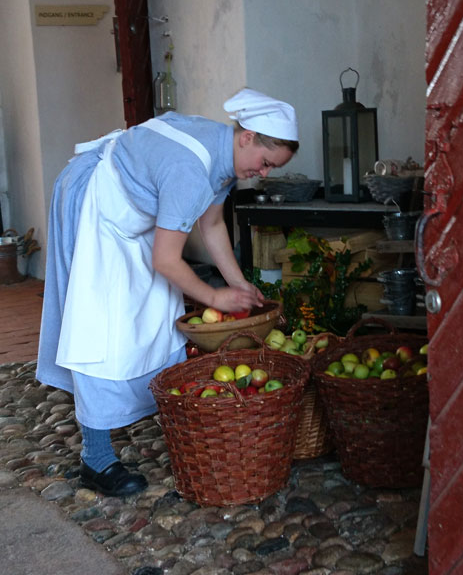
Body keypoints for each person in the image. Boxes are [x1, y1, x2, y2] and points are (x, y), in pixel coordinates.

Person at [36, 88, 299, 496]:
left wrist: (238, 283)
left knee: (160, 315)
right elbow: (166, 261)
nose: (263, 173)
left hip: (134, 215)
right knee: (100, 328)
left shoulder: (223, 157)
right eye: (265, 164)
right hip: (94, 203)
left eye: (271, 169)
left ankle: (173, 419)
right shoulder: (190, 170)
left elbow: (211, 225)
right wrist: (214, 298)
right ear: (246, 137)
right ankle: (96, 458)